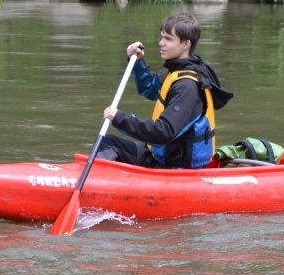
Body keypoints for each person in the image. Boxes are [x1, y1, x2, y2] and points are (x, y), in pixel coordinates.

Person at [97, 12, 233, 169]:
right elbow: (148, 88)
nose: (161, 43)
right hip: (161, 157)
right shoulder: (176, 73)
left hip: (174, 167)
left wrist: (120, 118)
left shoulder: (187, 87)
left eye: (168, 39)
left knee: (107, 145)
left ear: (186, 44)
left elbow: (164, 132)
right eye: (162, 37)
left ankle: (99, 185)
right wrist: (138, 63)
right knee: (106, 142)